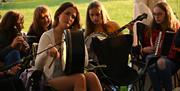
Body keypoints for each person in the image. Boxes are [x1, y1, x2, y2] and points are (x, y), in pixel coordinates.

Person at [35, 2, 102, 91]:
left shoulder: (76, 36)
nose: (69, 18)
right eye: (67, 14)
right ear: (59, 14)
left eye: (73, 17)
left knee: (92, 76)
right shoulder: (47, 36)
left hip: (72, 74)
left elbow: (85, 63)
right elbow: (38, 66)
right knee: (79, 78)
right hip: (52, 79)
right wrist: (47, 52)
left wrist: (76, 51)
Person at [135, 2, 180, 91]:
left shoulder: (176, 28)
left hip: (173, 62)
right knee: (152, 66)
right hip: (153, 60)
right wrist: (144, 49)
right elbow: (142, 48)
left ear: (167, 14)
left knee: (160, 62)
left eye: (159, 14)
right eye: (154, 14)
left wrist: (174, 49)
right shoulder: (151, 30)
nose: (156, 17)